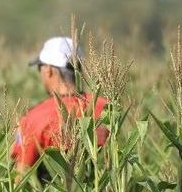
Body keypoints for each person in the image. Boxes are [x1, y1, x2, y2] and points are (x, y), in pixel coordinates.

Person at [11, 37, 109, 179]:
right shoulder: (104, 106)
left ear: (49, 70)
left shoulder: (35, 118)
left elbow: (19, 176)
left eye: (40, 68)